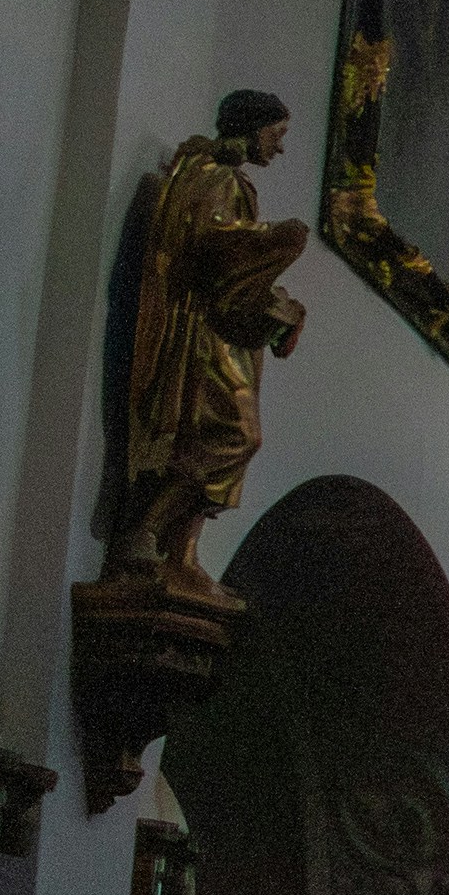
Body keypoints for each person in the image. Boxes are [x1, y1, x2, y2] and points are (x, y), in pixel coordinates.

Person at [108, 91, 308, 590]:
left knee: (233, 439)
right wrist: (273, 241)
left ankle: (183, 551)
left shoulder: (230, 179)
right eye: (276, 135)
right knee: (235, 434)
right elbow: (210, 246)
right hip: (205, 332)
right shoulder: (212, 175)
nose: (279, 149)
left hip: (231, 329)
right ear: (252, 127)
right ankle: (147, 530)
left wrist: (275, 298)